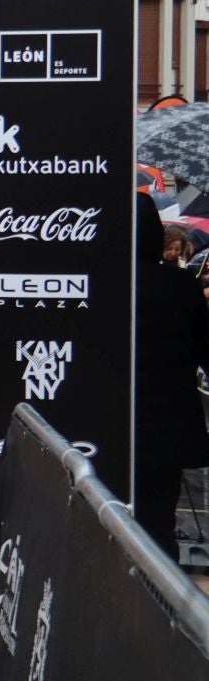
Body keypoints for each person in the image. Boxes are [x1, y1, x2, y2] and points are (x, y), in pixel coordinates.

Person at [135, 192, 209, 562]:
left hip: (111, 423)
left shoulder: (100, 286)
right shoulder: (181, 286)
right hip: (168, 431)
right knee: (158, 520)